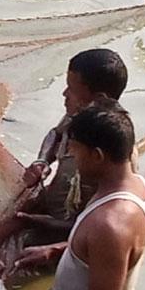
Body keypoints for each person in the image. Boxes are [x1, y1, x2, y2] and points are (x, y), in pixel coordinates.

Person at [6, 105, 145, 290]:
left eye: (75, 151)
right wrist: (56, 250)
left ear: (97, 155)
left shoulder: (110, 224)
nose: (72, 158)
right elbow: (112, 259)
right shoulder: (138, 187)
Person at [19, 49, 129, 238]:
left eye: (72, 88)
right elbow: (56, 134)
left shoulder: (112, 150)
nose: (64, 93)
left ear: (98, 98)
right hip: (49, 213)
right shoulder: (78, 116)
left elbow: (97, 228)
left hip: (69, 235)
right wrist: (42, 162)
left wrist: (33, 222)